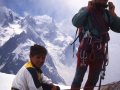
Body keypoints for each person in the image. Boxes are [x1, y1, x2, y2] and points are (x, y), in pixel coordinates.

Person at [71, 0, 120, 90]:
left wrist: (113, 14)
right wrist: (88, 9)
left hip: (98, 51)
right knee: (78, 78)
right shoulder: (85, 10)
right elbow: (75, 22)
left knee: (93, 80)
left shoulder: (107, 14)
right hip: (85, 51)